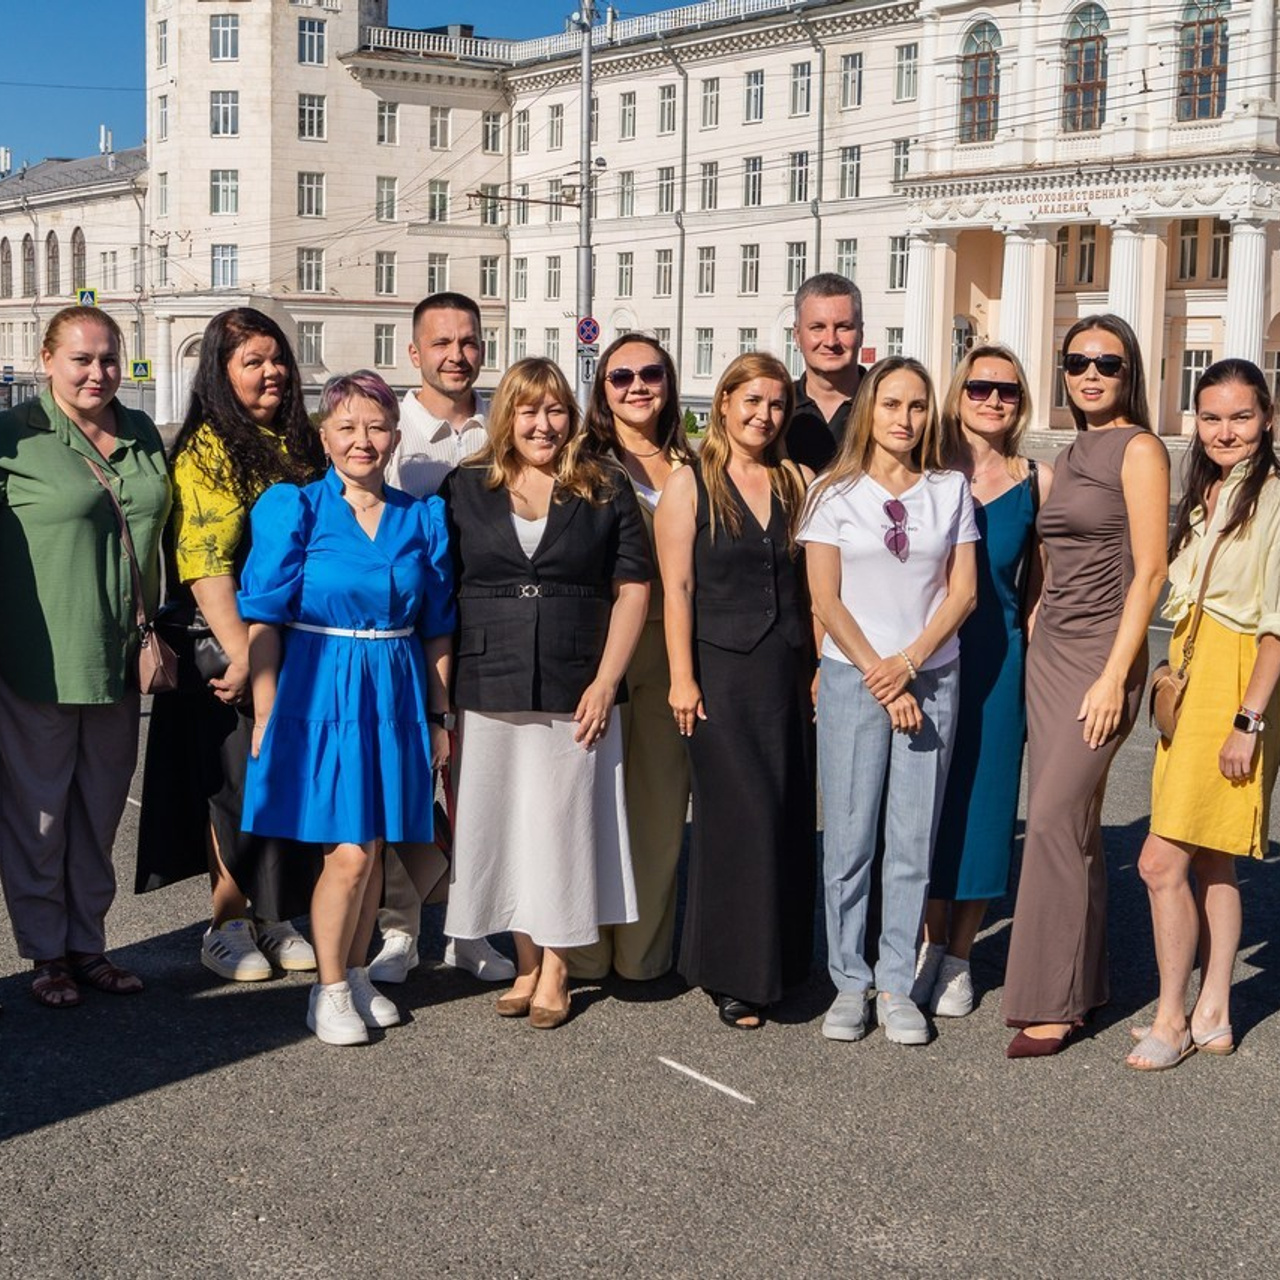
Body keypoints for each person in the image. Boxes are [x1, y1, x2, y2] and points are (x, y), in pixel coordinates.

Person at [239, 371, 456, 1045]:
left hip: (394, 689)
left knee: (376, 842)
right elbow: (264, 618)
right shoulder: (294, 508)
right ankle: (327, 990)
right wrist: (269, 706)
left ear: (395, 436)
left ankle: (355, 973)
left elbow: (437, 627)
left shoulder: (423, 517)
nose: (363, 440)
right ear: (325, 435)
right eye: (347, 427)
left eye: (376, 426)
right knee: (349, 855)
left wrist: (439, 716)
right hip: (320, 688)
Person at [442, 357, 651, 1029]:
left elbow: (634, 588)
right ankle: (525, 959)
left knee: (562, 826)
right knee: (501, 823)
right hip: (487, 680)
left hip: (575, 681)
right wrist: (440, 699)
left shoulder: (605, 485)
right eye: (528, 410)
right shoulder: (464, 485)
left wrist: (607, 679)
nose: (542, 424)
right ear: (507, 414)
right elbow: (443, 593)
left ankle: (558, 966)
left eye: (556, 409)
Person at [135, 308, 325, 981]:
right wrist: (245, 652)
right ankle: (228, 922)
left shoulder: (298, 441)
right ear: (220, 373)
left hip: (295, 641)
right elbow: (204, 561)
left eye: (278, 359)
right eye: (253, 361)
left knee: (280, 779)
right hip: (227, 643)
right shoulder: (209, 447)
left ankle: (275, 916)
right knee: (232, 785)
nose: (272, 372)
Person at [1003, 314, 1169, 1058]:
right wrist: (1036, 613)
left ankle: (1051, 999)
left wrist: (1113, 677)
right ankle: (1084, 982)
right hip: (1052, 653)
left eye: (1107, 361)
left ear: (1129, 371)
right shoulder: (1067, 454)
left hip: (1103, 657)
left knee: (1049, 819)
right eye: (1077, 362)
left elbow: (1152, 570)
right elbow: (1052, 551)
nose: (1091, 374)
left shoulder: (1139, 449)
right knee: (1073, 829)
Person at [799, 357, 978, 1046]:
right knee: (848, 839)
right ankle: (849, 980)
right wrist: (880, 673)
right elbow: (825, 597)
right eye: (893, 403)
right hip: (854, 678)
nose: (905, 418)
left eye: (918, 405)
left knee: (910, 839)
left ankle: (896, 980)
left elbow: (961, 593)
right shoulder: (830, 492)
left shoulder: (949, 489)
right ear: (870, 409)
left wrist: (908, 665)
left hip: (932, 677)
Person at [0, 305, 170, 1007]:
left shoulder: (141, 433)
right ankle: (47, 955)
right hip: (37, 656)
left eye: (109, 359)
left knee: (99, 813)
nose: (98, 373)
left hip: (120, 657)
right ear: (46, 361)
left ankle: (88, 943)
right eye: (81, 359)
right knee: (38, 815)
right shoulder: (15, 437)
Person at [1126, 359, 1280, 1070]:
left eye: (1241, 416)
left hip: (1240, 679)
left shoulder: (1274, 497)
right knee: (1212, 855)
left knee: (1160, 861)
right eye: (1212, 417)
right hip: (1195, 669)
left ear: (1268, 419)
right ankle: (1215, 1009)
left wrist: (1247, 722)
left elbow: (1278, 626)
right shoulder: (1208, 493)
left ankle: (1172, 1017)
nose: (1225, 431)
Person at [656, 351, 816, 1030]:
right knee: (736, 820)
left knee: (785, 815)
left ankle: (780, 963)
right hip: (718, 674)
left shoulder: (800, 478)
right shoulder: (690, 484)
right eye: (750, 401)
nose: (763, 415)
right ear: (722, 403)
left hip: (787, 670)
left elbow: (814, 584)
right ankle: (731, 973)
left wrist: (818, 665)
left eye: (776, 404)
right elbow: (678, 589)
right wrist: (682, 679)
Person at [369, 291, 515, 988]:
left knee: (476, 785)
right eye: (443, 343)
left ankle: (471, 926)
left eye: (469, 342)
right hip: (404, 634)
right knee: (407, 782)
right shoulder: (390, 431)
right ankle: (399, 928)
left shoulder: (501, 431)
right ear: (415, 353)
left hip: (487, 632)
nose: (457, 356)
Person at [913, 347, 1052, 1018]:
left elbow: (1039, 592)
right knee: (925, 804)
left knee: (985, 808)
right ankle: (925, 941)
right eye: (980, 387)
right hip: (928, 657)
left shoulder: (1035, 480)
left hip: (999, 662)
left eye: (1007, 391)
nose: (992, 400)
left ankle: (960, 955)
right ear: (958, 393)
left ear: (1020, 403)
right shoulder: (925, 469)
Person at [565, 333, 693, 983]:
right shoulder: (578, 463)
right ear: (602, 389)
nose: (637, 386)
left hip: (672, 652)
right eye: (622, 377)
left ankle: (644, 953)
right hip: (597, 650)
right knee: (588, 801)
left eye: (651, 374)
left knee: (658, 804)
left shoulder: (695, 464)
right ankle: (583, 949)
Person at [787, 273, 866, 473]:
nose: (830, 341)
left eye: (843, 327)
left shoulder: (887, 408)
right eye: (818, 327)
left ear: (861, 334)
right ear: (797, 336)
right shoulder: (777, 409)